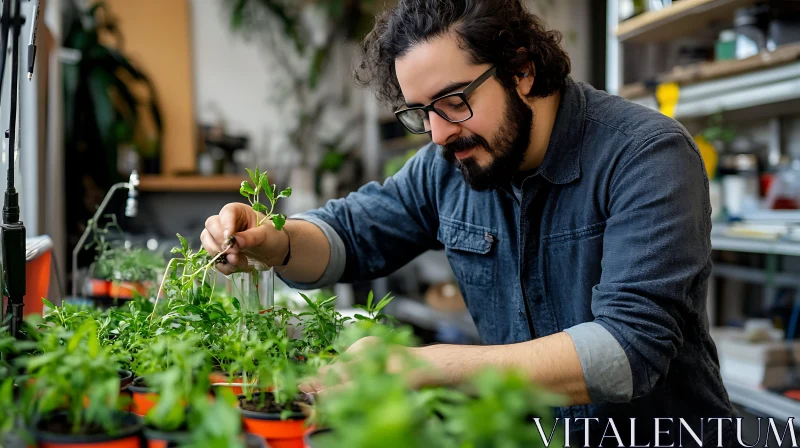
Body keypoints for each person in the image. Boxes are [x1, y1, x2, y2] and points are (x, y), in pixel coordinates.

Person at [201, 0, 736, 445]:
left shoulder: (646, 155)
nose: (437, 134)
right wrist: (274, 241)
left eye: (453, 102)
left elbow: (628, 350)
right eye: (420, 112)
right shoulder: (448, 166)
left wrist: (418, 366)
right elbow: (352, 233)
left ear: (521, 70)